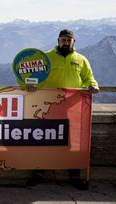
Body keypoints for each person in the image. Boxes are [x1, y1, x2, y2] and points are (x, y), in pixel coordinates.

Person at [26, 29, 99, 190]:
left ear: (74, 42)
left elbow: (88, 77)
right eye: (63, 40)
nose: (66, 42)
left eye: (69, 40)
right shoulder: (46, 57)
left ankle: (74, 175)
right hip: (49, 106)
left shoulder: (81, 60)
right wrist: (30, 85)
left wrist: (93, 85)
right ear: (58, 41)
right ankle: (38, 173)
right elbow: (33, 76)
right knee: (43, 139)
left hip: (72, 108)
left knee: (72, 142)